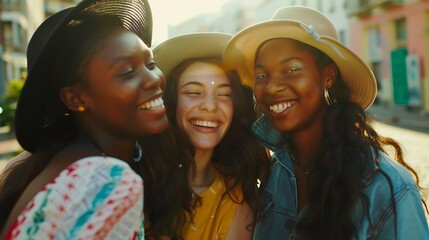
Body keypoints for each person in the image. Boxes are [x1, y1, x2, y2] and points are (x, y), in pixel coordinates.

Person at [223, 6, 429, 240]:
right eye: (262, 75)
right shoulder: (274, 172)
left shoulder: (388, 188)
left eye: (291, 69)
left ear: (328, 76)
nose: (271, 87)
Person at [0, 0, 168, 238]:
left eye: (150, 63)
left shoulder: (61, 164)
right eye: (127, 72)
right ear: (75, 98)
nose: (154, 79)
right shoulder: (105, 180)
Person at [153, 33, 271, 239]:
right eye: (193, 92)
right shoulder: (138, 177)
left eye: (224, 94)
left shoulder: (236, 193)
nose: (210, 105)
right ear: (171, 103)